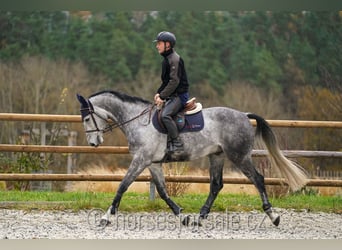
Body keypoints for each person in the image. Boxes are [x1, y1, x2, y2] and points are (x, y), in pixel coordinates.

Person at [153, 31, 189, 153]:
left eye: (159, 43)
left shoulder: (174, 59)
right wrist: (159, 93)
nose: (157, 46)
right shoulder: (167, 60)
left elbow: (174, 82)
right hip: (172, 95)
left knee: (165, 115)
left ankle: (178, 143)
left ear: (167, 45)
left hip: (180, 96)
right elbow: (166, 82)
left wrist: (162, 96)